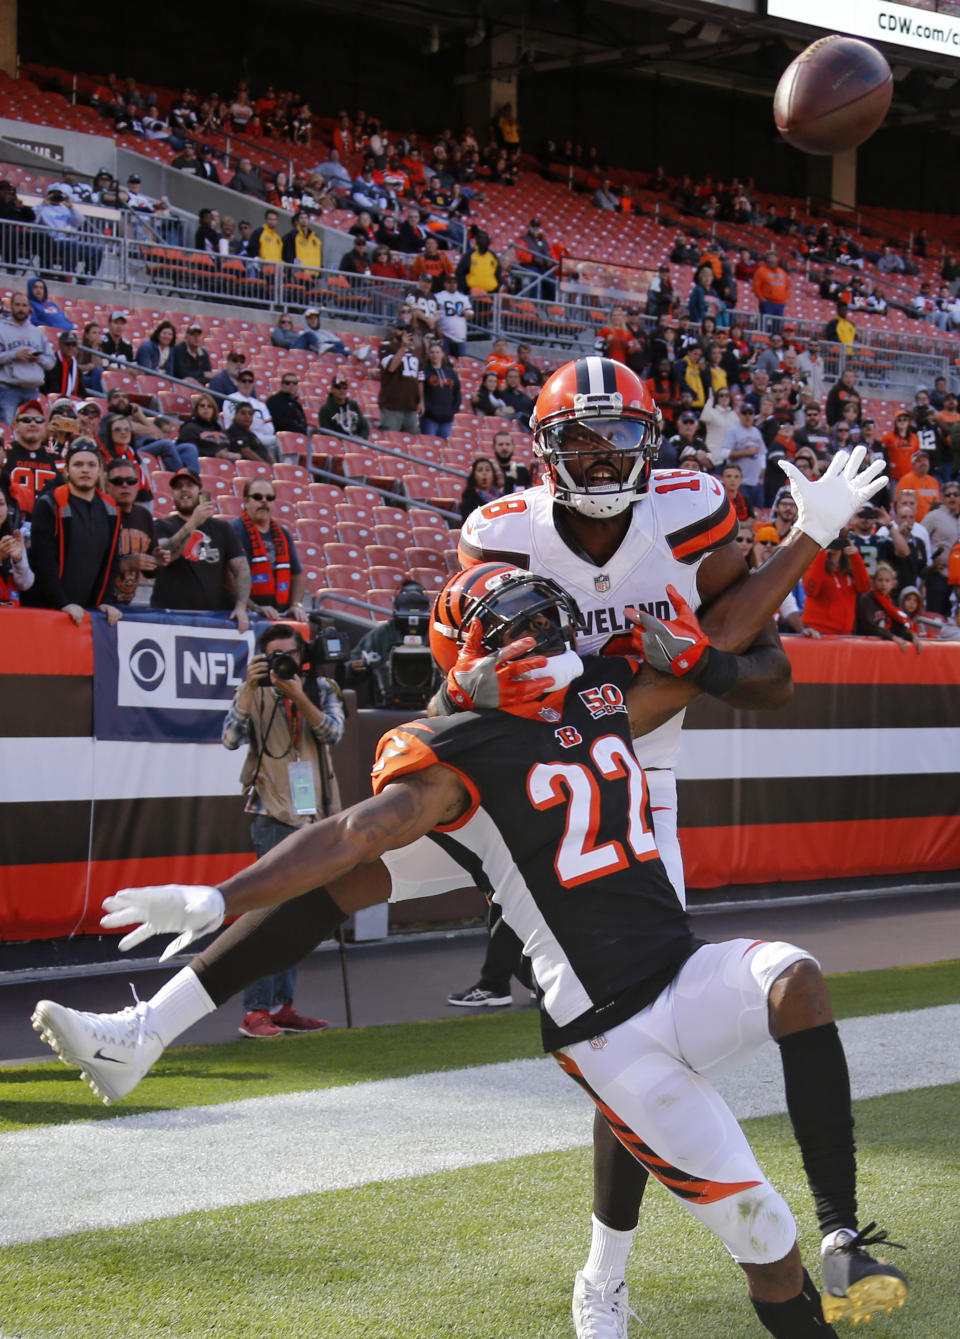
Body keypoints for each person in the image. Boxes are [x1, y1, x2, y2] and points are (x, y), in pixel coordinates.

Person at [28, 361, 890, 1338]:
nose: (602, 456)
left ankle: (605, 1276)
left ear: (652, 447)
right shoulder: (500, 537)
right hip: (506, 757)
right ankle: (147, 1029)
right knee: (354, 867)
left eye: (619, 437)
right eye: (582, 438)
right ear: (545, 453)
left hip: (629, 761)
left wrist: (800, 543)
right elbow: (392, 769)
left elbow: (738, 649)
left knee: (634, 1020)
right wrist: (480, 687)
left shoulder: (687, 511)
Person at [219, 621, 344, 1037]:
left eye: (290, 655)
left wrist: (296, 694)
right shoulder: (254, 691)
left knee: (301, 917)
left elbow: (332, 732)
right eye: (275, 656)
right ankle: (255, 1010)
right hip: (271, 812)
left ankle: (281, 1005)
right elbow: (229, 740)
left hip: (314, 815)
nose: (283, 663)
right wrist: (250, 690)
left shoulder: (320, 687)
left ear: (302, 655)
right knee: (267, 912)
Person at [21, 440, 122, 626]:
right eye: (78, 464)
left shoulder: (112, 509)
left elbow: (111, 560)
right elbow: (43, 561)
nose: (85, 470)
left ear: (100, 470)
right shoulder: (49, 504)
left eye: (91, 465)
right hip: (47, 610)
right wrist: (62, 603)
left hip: (86, 612)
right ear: (66, 470)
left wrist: (106, 601)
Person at [150, 468, 250, 628]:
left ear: (200, 491)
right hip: (170, 619)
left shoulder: (222, 528)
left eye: (190, 485)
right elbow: (165, 554)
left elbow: (242, 569)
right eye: (178, 486)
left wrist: (241, 607)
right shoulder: (161, 525)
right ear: (172, 494)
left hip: (213, 620)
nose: (183, 489)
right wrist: (193, 524)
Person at [232, 477, 307, 622]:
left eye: (270, 498)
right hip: (247, 617)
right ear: (246, 501)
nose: (264, 501)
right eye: (258, 497)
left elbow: (298, 576)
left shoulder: (283, 534)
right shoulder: (234, 530)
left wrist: (296, 605)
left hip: (280, 615)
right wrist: (255, 608)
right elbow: (228, 581)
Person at [102, 455, 164, 607]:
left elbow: (150, 572)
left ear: (138, 485)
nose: (125, 485)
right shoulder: (97, 514)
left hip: (126, 605)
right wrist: (125, 565)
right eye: (118, 481)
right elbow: (85, 568)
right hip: (96, 605)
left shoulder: (144, 515)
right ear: (107, 485)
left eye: (131, 481)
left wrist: (157, 561)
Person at [0, 290, 56, 423]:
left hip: (32, 390)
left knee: (32, 431)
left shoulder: (37, 332)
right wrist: (15, 355)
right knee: (7, 429)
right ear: (11, 306)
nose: (21, 309)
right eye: (18, 305)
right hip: (9, 389)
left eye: (24, 305)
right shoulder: (2, 329)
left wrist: (39, 358)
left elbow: (51, 362)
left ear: (29, 308)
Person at [1, 400, 60, 520]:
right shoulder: (5, 454)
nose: (33, 424)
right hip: (12, 522)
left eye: (38, 420)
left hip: (48, 523)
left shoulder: (57, 459)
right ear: (15, 425)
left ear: (45, 425)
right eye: (26, 420)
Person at [801, 535, 872, 635]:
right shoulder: (816, 563)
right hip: (817, 630)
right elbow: (810, 591)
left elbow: (865, 588)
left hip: (844, 633)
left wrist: (855, 556)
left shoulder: (850, 569)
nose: (834, 545)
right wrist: (821, 554)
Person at [854, 561, 920, 650]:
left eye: (887, 580)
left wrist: (912, 637)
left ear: (893, 584)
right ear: (873, 582)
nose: (883, 584)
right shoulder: (866, 599)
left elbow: (897, 627)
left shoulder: (890, 603)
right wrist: (892, 637)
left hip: (883, 648)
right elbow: (868, 626)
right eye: (880, 580)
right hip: (866, 646)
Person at [378, 323, 423, 433]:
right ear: (393, 330)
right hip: (392, 406)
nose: (404, 332)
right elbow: (392, 367)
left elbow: (420, 378)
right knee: (390, 440)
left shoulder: (414, 351)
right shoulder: (386, 347)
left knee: (413, 443)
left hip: (411, 406)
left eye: (406, 329)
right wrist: (403, 347)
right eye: (400, 328)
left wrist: (421, 401)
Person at [0, 481, 33, 604]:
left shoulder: (11, 535)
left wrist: (18, 560)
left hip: (10, 616)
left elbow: (25, 584)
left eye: (1, 504)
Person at [420, 342, 461, 439]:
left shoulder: (451, 372)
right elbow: (420, 393)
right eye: (432, 352)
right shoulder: (424, 371)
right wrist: (429, 410)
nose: (435, 355)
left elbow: (457, 392)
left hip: (447, 419)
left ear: (442, 354)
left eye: (437, 352)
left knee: (444, 449)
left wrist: (453, 410)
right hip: (429, 418)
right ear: (428, 354)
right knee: (429, 447)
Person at [177, 393, 236, 460]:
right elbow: (188, 451)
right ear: (197, 409)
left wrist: (236, 454)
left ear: (214, 410)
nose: (206, 408)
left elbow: (233, 448)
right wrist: (214, 454)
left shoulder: (221, 430)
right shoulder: (189, 428)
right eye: (202, 406)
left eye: (209, 406)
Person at [460, 457, 502, 523]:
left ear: (493, 474)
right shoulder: (469, 499)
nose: (484, 473)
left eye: (487, 470)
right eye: (480, 470)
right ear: (474, 476)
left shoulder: (501, 497)